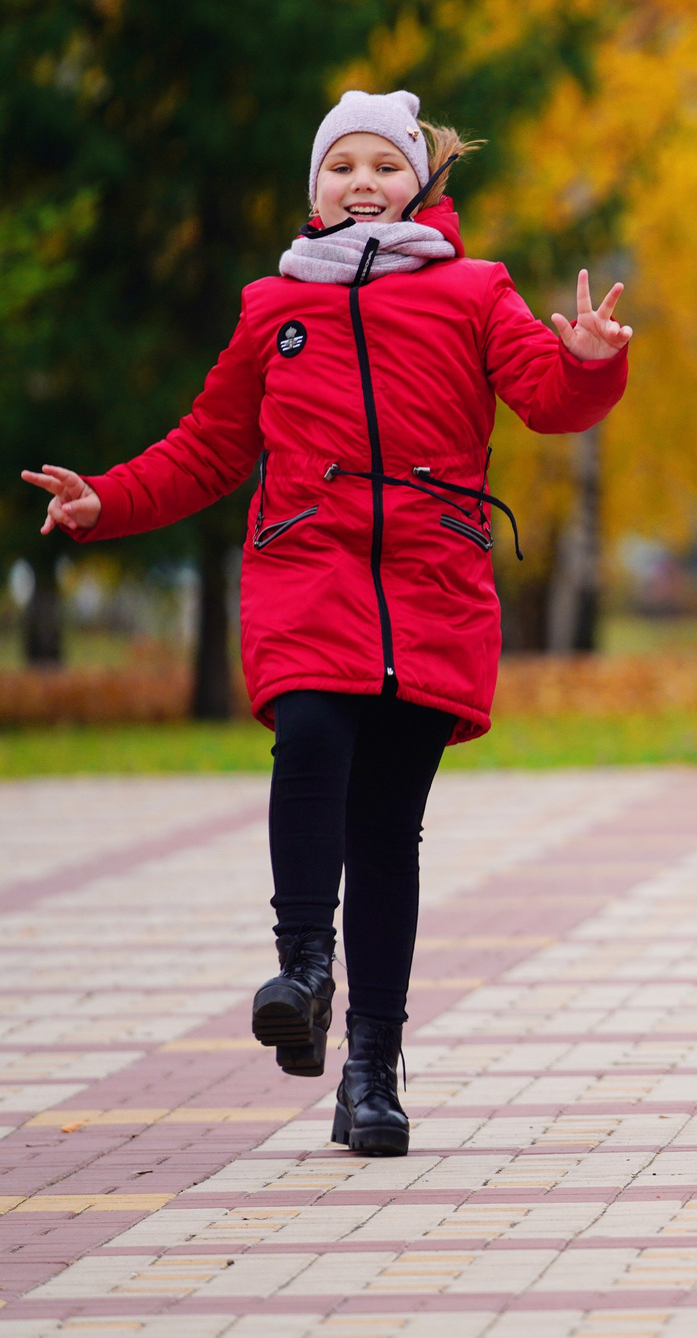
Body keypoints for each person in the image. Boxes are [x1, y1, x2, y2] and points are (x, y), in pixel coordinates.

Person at [21, 89, 631, 1156]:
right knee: (305, 736)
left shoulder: (474, 291)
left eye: (382, 165)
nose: (362, 181)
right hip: (308, 567)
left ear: (421, 182)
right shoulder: (271, 308)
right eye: (340, 165)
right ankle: (303, 969)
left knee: (388, 830)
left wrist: (585, 357)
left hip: (433, 586)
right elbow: (211, 445)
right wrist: (107, 498)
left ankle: (370, 1072)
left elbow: (547, 400)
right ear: (315, 188)